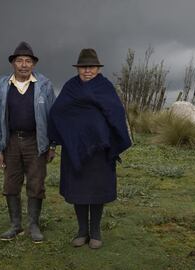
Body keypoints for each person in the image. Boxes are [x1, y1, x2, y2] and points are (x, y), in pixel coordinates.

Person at [48, 48, 131, 249]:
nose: (87, 71)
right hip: (75, 148)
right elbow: (57, 112)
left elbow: (116, 113)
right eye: (83, 67)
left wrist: (112, 138)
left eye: (91, 67)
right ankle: (82, 231)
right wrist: (59, 139)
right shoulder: (70, 87)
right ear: (78, 68)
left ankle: (95, 231)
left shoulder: (105, 86)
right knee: (78, 190)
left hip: (99, 150)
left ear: (98, 68)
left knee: (97, 190)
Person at [0, 41, 56, 242]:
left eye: (28, 61)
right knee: (11, 184)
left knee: (36, 183)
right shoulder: (2, 86)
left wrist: (52, 144)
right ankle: (15, 225)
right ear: (13, 64)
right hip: (11, 142)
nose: (24, 65)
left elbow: (52, 117)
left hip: (36, 141)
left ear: (33, 64)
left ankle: (34, 225)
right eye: (20, 61)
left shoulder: (44, 85)